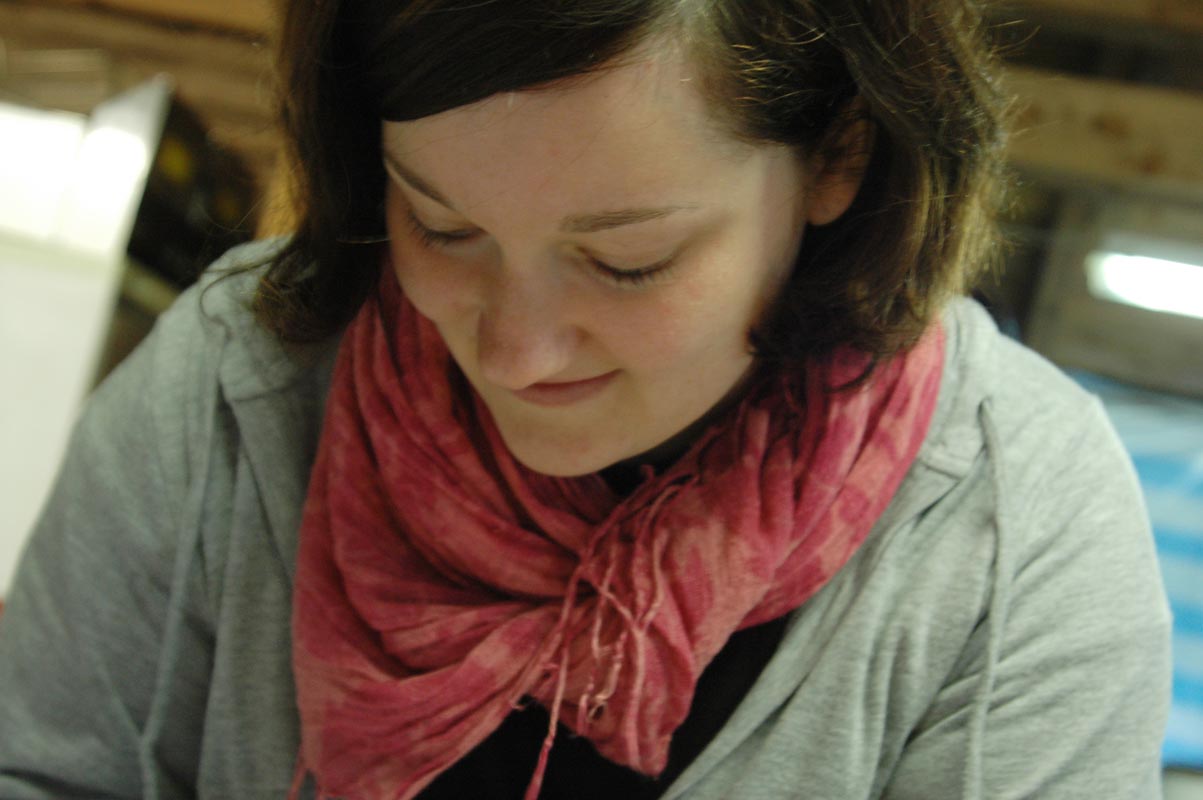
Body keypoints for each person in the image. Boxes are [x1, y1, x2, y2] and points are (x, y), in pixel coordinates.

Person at [0, 0, 1172, 798]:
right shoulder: (238, 375)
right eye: (441, 226)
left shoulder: (1018, 530)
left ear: (838, 155)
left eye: (627, 260)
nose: (515, 351)